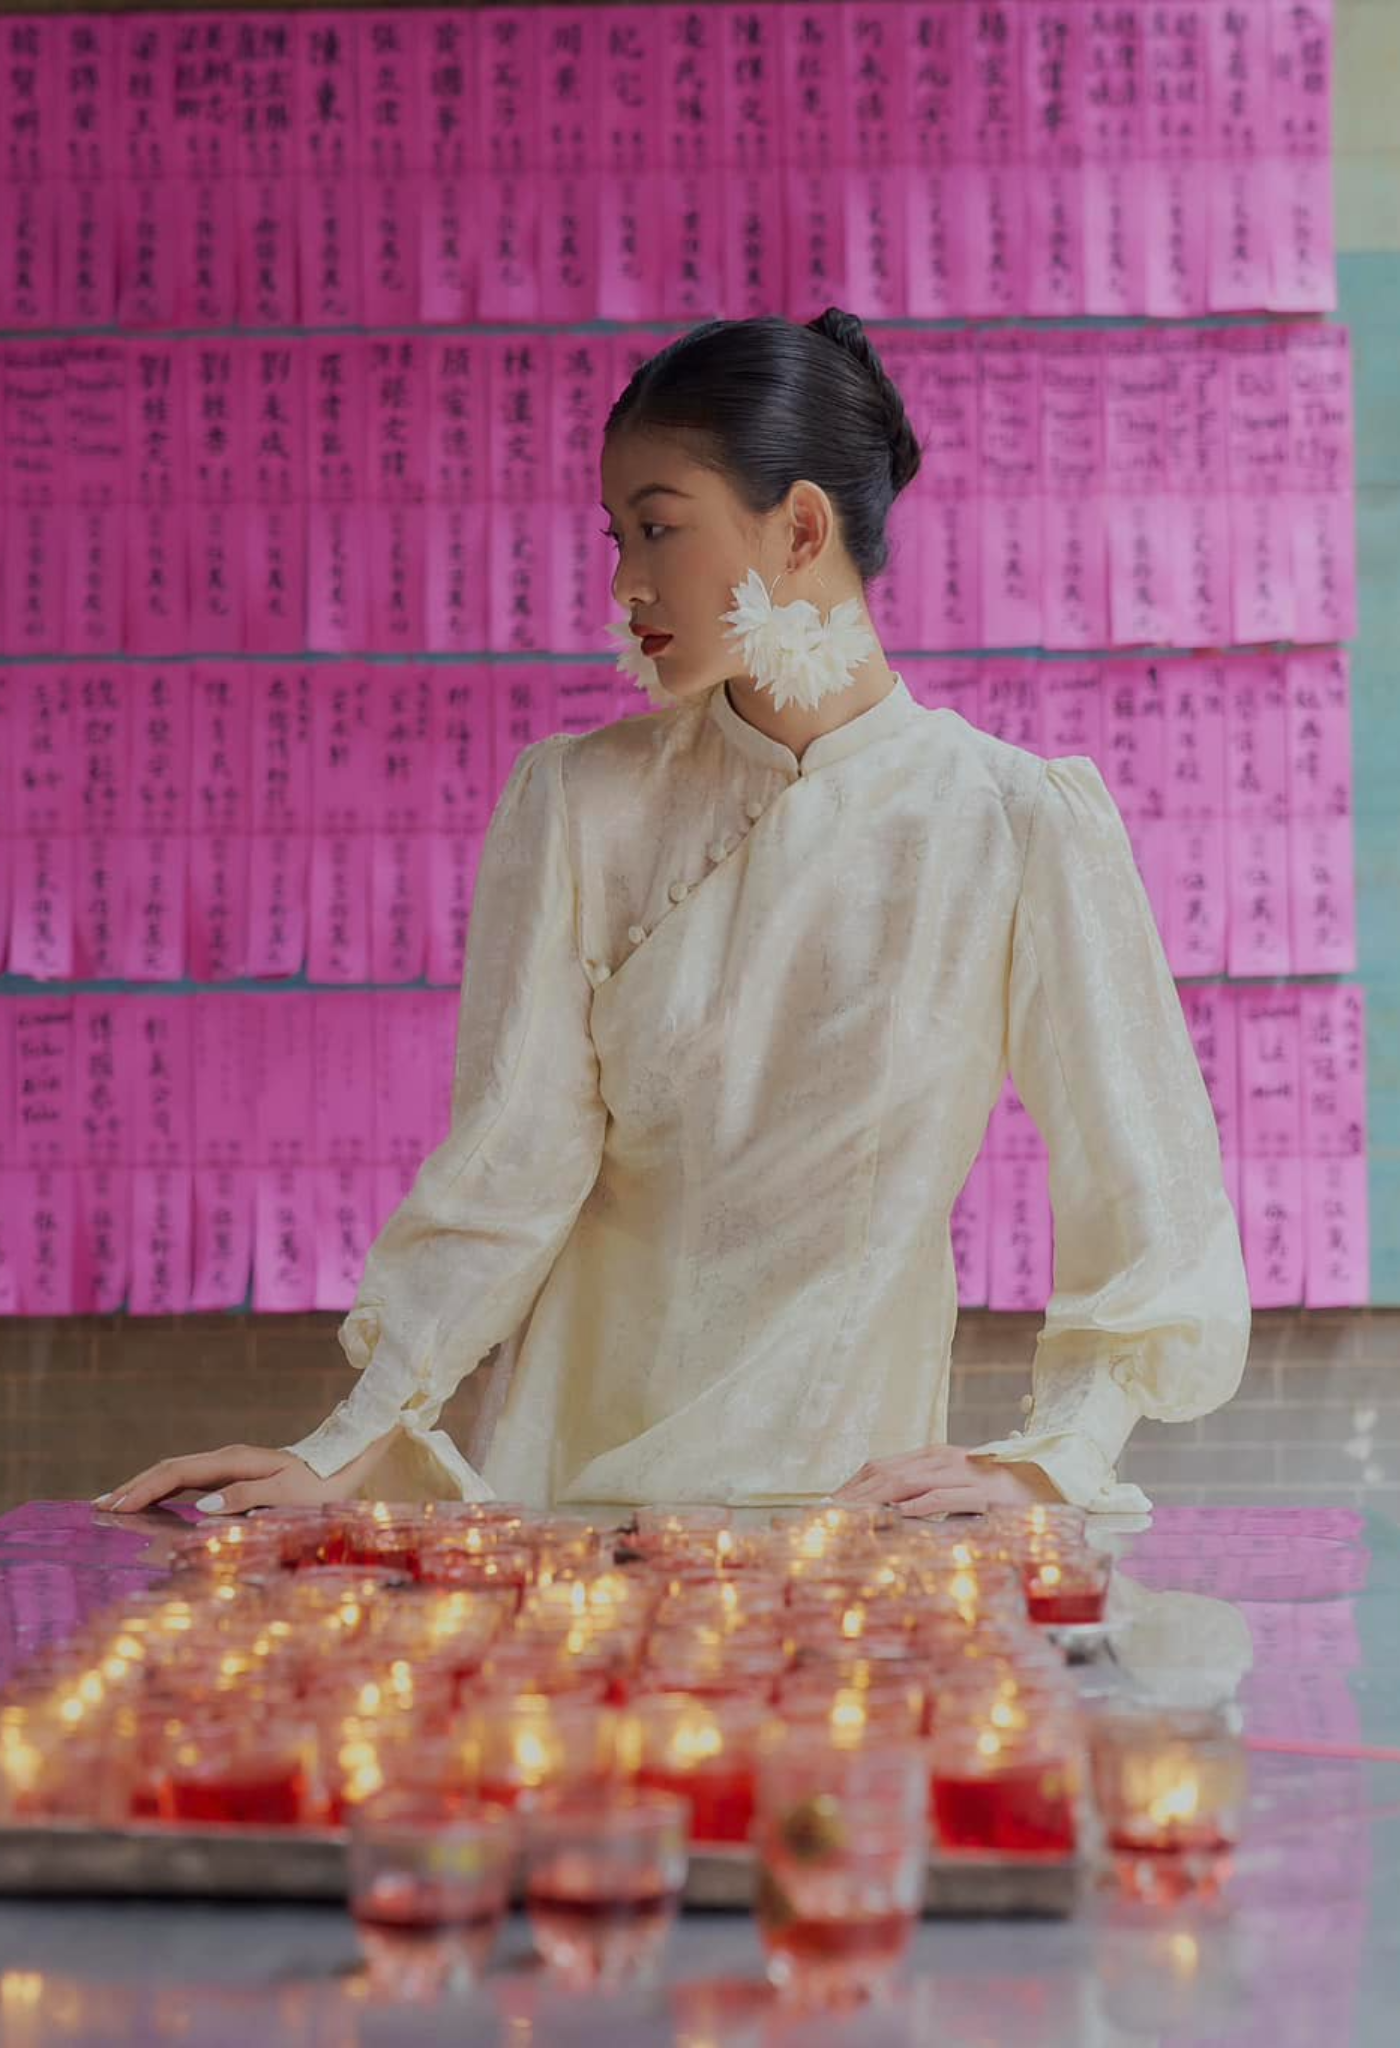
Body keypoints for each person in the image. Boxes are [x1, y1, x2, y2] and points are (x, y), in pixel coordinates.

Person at [97, 309, 1250, 1523]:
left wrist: (1043, 1457)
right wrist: (346, 1441)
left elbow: (1148, 1195)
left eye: (657, 526)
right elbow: (512, 1161)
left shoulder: (1010, 823)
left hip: (832, 1517)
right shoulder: (579, 800)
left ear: (800, 527)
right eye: (613, 536)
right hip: (566, 1499)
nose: (623, 584)